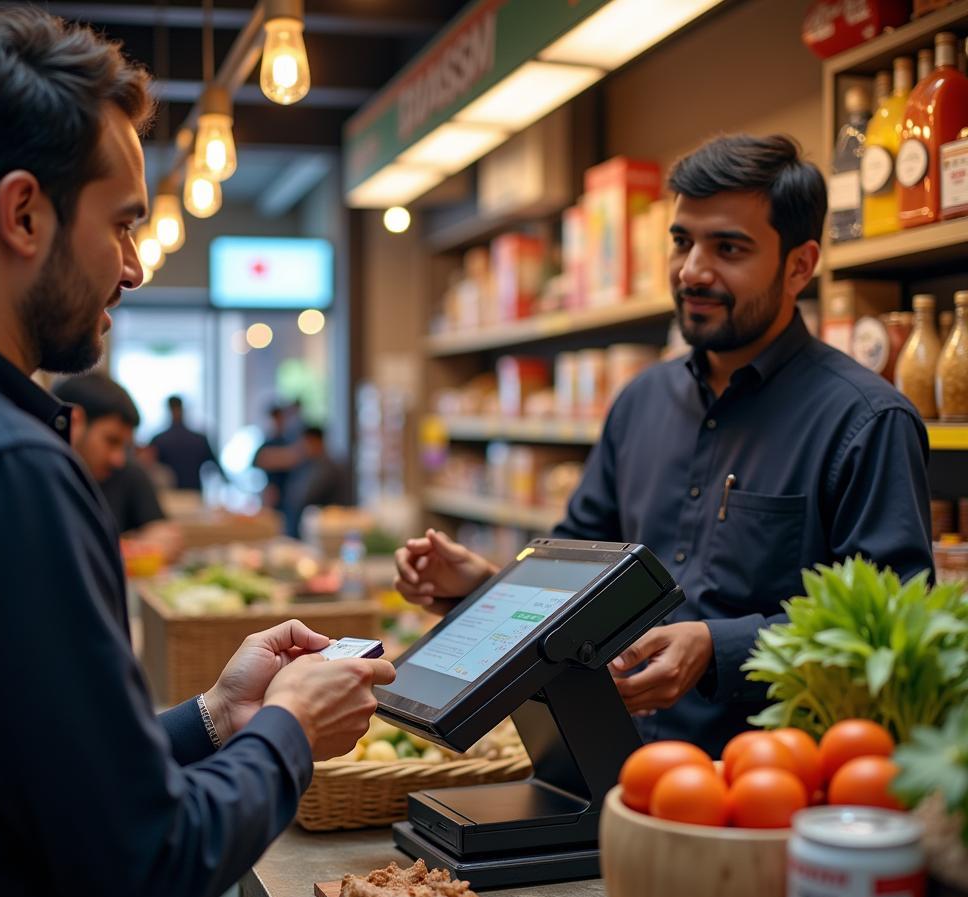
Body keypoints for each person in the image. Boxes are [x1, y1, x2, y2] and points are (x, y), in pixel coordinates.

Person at [0, 8, 395, 897]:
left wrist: (216, 719)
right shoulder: (14, 469)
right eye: (124, 222)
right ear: (23, 215)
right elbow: (145, 861)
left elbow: (27, 780)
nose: (137, 266)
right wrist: (288, 730)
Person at [396, 134, 933, 758]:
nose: (692, 270)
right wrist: (486, 585)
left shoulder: (866, 422)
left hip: (761, 794)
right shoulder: (639, 403)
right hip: (602, 773)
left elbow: (894, 630)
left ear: (799, 265)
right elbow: (578, 566)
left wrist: (719, 646)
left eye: (728, 247)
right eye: (683, 241)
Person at [54, 372, 183, 562]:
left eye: (125, 446)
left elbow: (166, 537)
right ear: (75, 424)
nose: (118, 459)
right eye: (111, 441)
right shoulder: (42, 476)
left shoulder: (129, 473)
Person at [147, 393, 223, 491]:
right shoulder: (199, 439)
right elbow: (216, 466)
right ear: (182, 409)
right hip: (193, 493)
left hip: (169, 494)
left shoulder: (158, 440)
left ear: (168, 410)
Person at [282, 425, 347, 537]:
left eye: (306, 443)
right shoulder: (310, 464)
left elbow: (304, 496)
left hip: (324, 531)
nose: (303, 447)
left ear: (316, 441)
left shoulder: (326, 467)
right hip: (312, 528)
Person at [253, 400, 303, 525]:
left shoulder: (291, 439)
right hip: (271, 492)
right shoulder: (268, 441)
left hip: (290, 492)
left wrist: (272, 458)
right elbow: (257, 461)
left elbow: (297, 460)